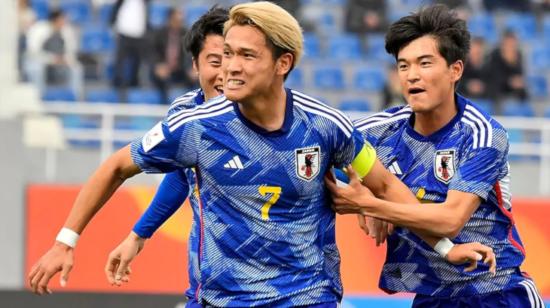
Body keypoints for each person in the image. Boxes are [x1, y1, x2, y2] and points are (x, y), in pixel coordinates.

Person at [29, 2, 494, 306]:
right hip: (221, 297)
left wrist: (446, 246)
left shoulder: (326, 126)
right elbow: (116, 167)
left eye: (247, 56)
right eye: (227, 54)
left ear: (282, 63)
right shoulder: (194, 127)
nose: (230, 67)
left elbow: (385, 186)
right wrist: (65, 242)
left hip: (306, 296)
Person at [326, 5, 544, 307]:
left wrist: (371, 204)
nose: (412, 76)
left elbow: (449, 221)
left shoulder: (483, 134)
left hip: (496, 292)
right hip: (431, 296)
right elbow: (320, 152)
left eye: (424, 63)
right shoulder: (380, 131)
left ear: (456, 70)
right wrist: (365, 184)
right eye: (403, 66)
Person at [107, 6, 226, 307]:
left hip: (286, 290)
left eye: (236, 58)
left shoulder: (283, 117)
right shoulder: (187, 115)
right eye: (215, 61)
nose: (227, 72)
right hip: (210, 287)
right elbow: (181, 176)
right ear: (195, 64)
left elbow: (331, 164)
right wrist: (139, 233)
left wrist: (366, 202)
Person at [24, 9, 83, 99]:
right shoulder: (39, 29)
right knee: (36, 68)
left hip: (59, 63)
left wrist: (65, 59)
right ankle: (39, 98)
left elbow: (71, 51)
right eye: (62, 20)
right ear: (54, 20)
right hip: (40, 61)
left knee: (76, 68)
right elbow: (33, 52)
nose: (64, 22)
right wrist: (51, 59)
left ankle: (75, 99)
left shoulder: (67, 30)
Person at [150, 7, 198, 104]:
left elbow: (190, 52)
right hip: (163, 69)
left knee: (198, 77)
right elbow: (152, 52)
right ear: (170, 19)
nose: (179, 22)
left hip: (181, 69)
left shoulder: (186, 34)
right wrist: (158, 65)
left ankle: (192, 107)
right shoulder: (159, 34)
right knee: (161, 80)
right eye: (176, 20)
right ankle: (164, 106)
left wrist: (192, 68)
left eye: (181, 20)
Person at [110, 0, 150, 89]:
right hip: (123, 31)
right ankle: (119, 82)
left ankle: (134, 82)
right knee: (120, 60)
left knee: (137, 61)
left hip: (139, 33)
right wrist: (113, 24)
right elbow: (115, 11)